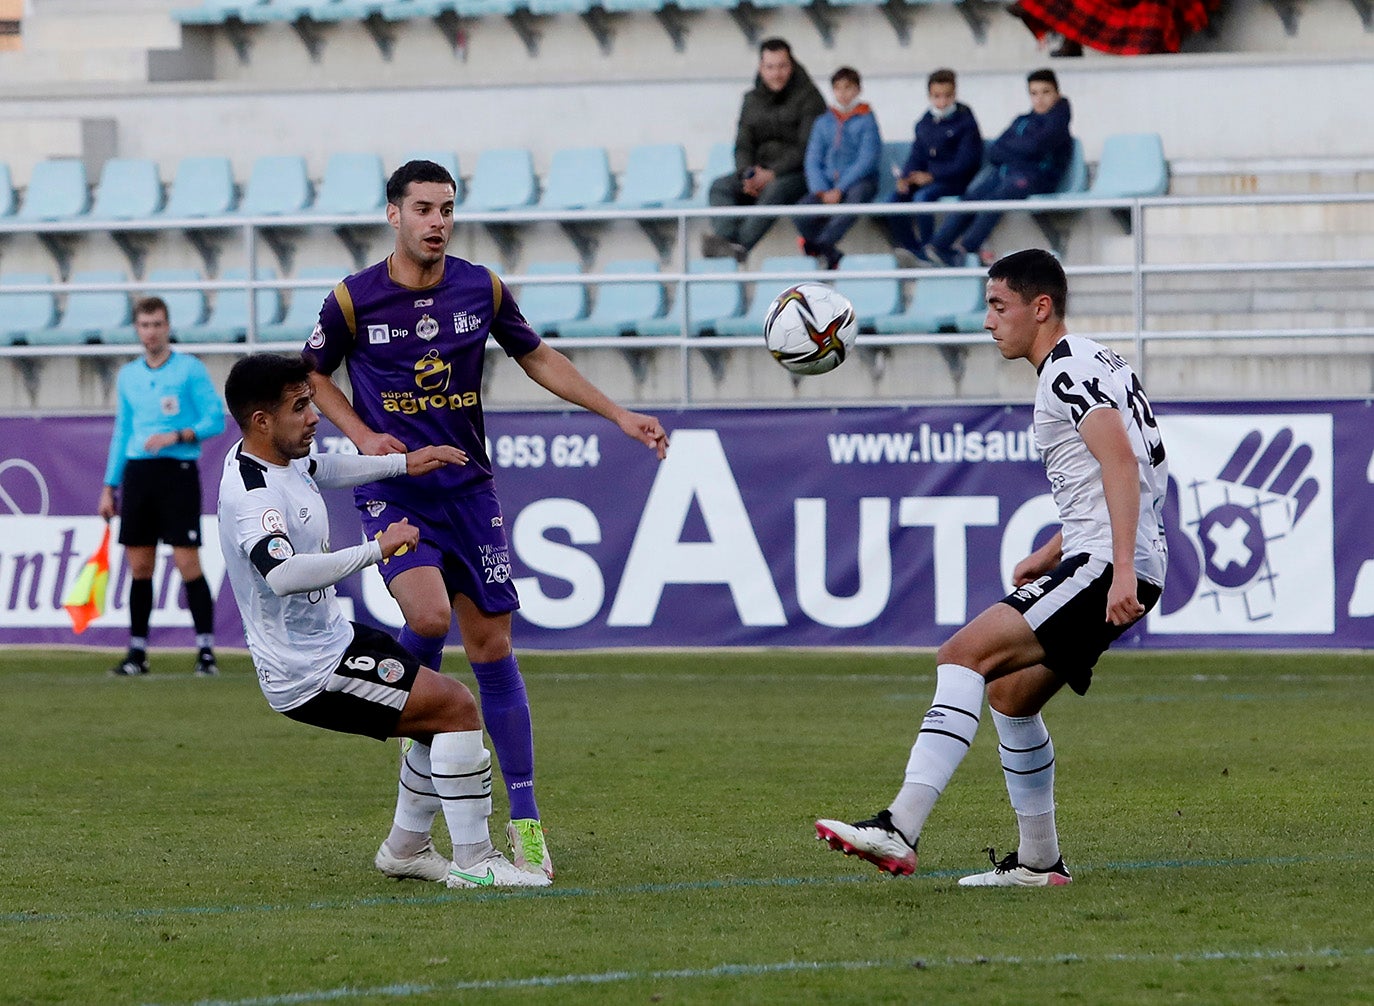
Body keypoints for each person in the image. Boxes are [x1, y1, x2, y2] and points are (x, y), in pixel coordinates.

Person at [304, 159, 670, 883]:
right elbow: (314, 374)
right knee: (430, 617)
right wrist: (361, 436)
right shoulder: (352, 302)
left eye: (446, 209)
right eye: (423, 209)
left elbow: (537, 356)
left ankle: (523, 819)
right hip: (397, 490)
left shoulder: (482, 287)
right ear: (393, 215)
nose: (437, 221)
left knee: (492, 646)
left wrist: (620, 414)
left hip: (469, 490)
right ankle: (415, 721)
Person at [817, 249, 1168, 887]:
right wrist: (1051, 552)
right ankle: (1040, 863)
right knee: (1009, 698)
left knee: (961, 656)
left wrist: (1115, 568)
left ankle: (900, 825)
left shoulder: (1065, 371)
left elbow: (1120, 465)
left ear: (1040, 308)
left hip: (1112, 564)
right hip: (1114, 556)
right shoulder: (1096, 361)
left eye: (998, 306)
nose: (987, 321)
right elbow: (1121, 472)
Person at [217, 352, 548, 890]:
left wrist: (403, 463)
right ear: (262, 420)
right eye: (301, 407)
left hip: (332, 644)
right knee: (459, 708)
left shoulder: (274, 457)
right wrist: (376, 548)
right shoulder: (253, 496)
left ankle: (406, 848)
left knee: (432, 712)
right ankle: (476, 860)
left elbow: (326, 468)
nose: (314, 415)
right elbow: (281, 575)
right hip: (308, 672)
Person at [99, 295, 226, 677]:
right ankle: (137, 652)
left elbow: (215, 420)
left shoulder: (189, 370)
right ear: (136, 329)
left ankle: (206, 650)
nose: (150, 332)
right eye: (144, 325)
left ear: (167, 327)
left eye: (156, 325)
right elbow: (123, 431)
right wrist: (109, 485)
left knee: (187, 560)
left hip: (177, 472)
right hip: (139, 473)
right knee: (140, 565)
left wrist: (178, 435)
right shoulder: (129, 376)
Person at [920, 69, 1072, 268]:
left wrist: (1016, 149)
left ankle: (967, 247)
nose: (1040, 99)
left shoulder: (1058, 123)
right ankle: (937, 247)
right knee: (972, 197)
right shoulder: (1022, 120)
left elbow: (1037, 146)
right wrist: (1022, 150)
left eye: (1046, 92)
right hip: (1007, 173)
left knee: (996, 198)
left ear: (1057, 94)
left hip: (1038, 178)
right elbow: (995, 151)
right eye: (1034, 93)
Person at [703, 37, 827, 263]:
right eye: (770, 67)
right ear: (761, 68)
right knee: (719, 186)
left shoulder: (810, 97)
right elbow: (743, 144)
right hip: (759, 172)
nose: (776, 73)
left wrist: (771, 174)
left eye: (782, 66)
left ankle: (738, 246)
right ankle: (727, 240)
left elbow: (807, 148)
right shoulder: (751, 100)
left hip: (797, 175)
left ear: (792, 65)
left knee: (775, 190)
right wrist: (748, 174)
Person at [883, 68, 983, 264]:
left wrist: (932, 176)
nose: (942, 102)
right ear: (929, 96)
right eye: (937, 96)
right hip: (928, 179)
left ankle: (930, 247)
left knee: (922, 198)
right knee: (892, 202)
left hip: (954, 181)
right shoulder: (924, 123)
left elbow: (966, 162)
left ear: (955, 94)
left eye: (947, 96)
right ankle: (913, 249)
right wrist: (906, 177)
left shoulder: (966, 121)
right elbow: (917, 154)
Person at [793, 66, 882, 271]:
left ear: (858, 90)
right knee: (800, 211)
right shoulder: (823, 122)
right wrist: (822, 190)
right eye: (838, 88)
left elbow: (866, 160)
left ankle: (819, 245)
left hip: (858, 182)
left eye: (848, 88)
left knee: (854, 200)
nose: (843, 94)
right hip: (827, 185)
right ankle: (830, 252)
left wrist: (840, 188)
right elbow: (813, 159)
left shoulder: (867, 120)